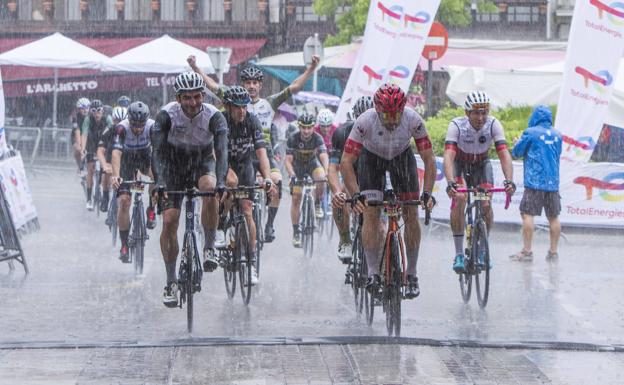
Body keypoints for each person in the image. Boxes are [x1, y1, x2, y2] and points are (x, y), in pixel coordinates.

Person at [187, 55, 320, 243]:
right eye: (247, 82)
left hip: (262, 151)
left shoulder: (270, 103)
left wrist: (311, 69)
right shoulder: (233, 98)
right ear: (243, 84)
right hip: (239, 152)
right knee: (232, 188)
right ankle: (226, 220)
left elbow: (294, 87)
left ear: (260, 86)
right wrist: (195, 67)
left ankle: (269, 225)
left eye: (255, 83)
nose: (251, 86)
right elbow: (211, 86)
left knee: (276, 181)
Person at [341, 84, 436, 299]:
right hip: (371, 160)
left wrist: (428, 192)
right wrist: (356, 194)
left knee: (411, 214)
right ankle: (373, 272)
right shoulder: (365, 122)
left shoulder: (413, 120)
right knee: (371, 213)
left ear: (403, 110)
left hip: (402, 159)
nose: (393, 121)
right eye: (387, 115)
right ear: (377, 110)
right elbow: (346, 163)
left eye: (397, 115)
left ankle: (411, 274)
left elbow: (429, 159)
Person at [151, 72, 228, 308]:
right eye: (187, 98)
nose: (193, 103)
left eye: (197, 97)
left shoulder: (215, 117)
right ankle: (171, 281)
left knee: (211, 188)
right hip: (173, 165)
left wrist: (222, 180)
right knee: (169, 221)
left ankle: (208, 247)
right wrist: (160, 182)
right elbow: (156, 153)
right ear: (178, 97)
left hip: (201, 161)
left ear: (203, 95)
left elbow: (222, 152)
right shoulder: (166, 115)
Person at [443, 90, 516, 273]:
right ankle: (459, 253)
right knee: (459, 198)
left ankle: (483, 249)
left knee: (485, 204)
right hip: (461, 164)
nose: (481, 117)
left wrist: (509, 180)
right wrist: (451, 182)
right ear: (467, 113)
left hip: (481, 165)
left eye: (484, 112)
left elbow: (504, 154)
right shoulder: (456, 126)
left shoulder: (493, 125)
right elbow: (449, 156)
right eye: (476, 112)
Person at [221, 86, 275, 284]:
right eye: (237, 107)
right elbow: (215, 153)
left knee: (247, 210)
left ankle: (251, 262)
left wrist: (267, 177)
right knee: (228, 189)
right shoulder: (221, 121)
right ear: (228, 107)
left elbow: (261, 152)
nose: (241, 111)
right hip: (224, 163)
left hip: (245, 165)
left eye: (244, 106)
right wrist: (225, 172)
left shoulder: (252, 121)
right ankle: (221, 224)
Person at [510, 105, 562, 262]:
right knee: (553, 217)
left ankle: (527, 251)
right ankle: (553, 252)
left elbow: (517, 152)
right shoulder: (558, 135)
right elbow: (557, 154)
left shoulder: (530, 133)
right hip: (552, 183)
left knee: (527, 215)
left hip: (534, 182)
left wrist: (517, 142)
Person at [329, 96, 374, 264]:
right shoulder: (342, 133)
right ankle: (345, 239)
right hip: (351, 174)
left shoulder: (382, 132)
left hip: (373, 175)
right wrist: (336, 192)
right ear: (355, 116)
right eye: (361, 117)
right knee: (341, 198)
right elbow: (333, 168)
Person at [110, 102, 156, 263]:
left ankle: (151, 208)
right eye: (134, 125)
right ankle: (124, 245)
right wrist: (116, 176)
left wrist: (159, 177)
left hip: (145, 156)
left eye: (140, 125)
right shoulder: (121, 128)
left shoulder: (152, 127)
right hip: (126, 160)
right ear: (129, 121)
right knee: (123, 202)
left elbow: (159, 152)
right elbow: (116, 153)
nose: (137, 129)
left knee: (155, 177)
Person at [285, 112, 329, 247]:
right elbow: (288, 161)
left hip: (312, 165)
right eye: (303, 127)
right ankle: (296, 231)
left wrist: (327, 172)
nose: (306, 131)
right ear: (299, 126)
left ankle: (317, 203)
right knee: (297, 197)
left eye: (309, 127)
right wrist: (292, 175)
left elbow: (323, 156)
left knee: (321, 178)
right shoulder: (293, 138)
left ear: (313, 127)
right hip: (297, 169)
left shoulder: (318, 138)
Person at [81, 99, 113, 211]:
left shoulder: (108, 119)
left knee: (106, 170)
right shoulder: (88, 119)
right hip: (92, 144)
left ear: (103, 111)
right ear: (91, 112)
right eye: (93, 111)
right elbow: (84, 134)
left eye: (99, 110)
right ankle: (89, 199)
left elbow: (113, 133)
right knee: (90, 169)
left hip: (104, 144)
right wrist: (83, 149)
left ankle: (105, 191)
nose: (96, 113)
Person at [96, 106, 127, 213]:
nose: (120, 124)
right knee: (106, 174)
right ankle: (105, 197)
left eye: (123, 121)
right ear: (113, 120)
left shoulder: (129, 130)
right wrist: (104, 165)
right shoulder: (108, 130)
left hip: (125, 160)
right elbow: (100, 151)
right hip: (109, 159)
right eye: (117, 121)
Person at [72, 97, 90, 171]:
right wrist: (80, 146)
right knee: (78, 149)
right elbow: (77, 131)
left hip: (88, 135)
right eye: (82, 108)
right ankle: (80, 166)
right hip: (77, 135)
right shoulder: (75, 118)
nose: (85, 110)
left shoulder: (91, 116)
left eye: (87, 108)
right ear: (78, 109)